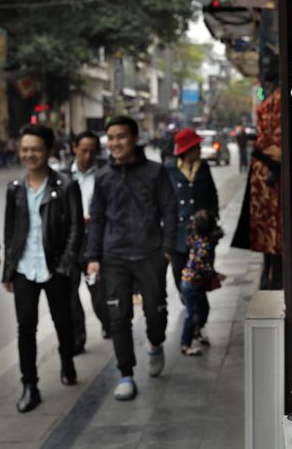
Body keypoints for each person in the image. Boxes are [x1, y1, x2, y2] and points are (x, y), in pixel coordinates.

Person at [85, 116, 177, 401]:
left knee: (155, 312)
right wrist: (93, 256)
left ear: (135, 138)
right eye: (110, 138)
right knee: (118, 317)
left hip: (150, 254)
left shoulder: (155, 172)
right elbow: (97, 218)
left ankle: (156, 343)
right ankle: (125, 374)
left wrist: (166, 249)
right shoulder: (102, 177)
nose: (115, 143)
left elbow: (170, 210)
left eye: (121, 137)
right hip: (114, 256)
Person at [2, 124, 84, 413]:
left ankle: (67, 359)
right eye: (25, 149)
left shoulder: (66, 186)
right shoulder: (15, 190)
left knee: (64, 321)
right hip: (25, 269)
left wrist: (66, 265)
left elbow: (76, 228)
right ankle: (29, 385)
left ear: (48, 151)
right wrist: (8, 272)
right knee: (26, 328)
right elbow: (10, 232)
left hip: (55, 268)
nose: (29, 154)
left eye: (35, 149)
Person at [63, 131, 111, 354]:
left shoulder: (104, 175)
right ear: (74, 148)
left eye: (93, 151)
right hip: (70, 244)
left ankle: (108, 323)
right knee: (70, 296)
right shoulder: (62, 176)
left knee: (99, 293)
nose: (88, 155)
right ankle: (77, 339)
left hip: (95, 243)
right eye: (84, 150)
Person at [164, 128, 219, 298]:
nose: (200, 149)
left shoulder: (203, 168)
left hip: (202, 234)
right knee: (179, 274)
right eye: (196, 146)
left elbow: (212, 194)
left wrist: (212, 217)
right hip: (179, 233)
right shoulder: (169, 169)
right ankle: (188, 302)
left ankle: (198, 312)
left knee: (201, 274)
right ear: (187, 150)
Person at [178, 209, 225, 355]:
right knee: (192, 314)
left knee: (203, 309)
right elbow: (202, 265)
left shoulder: (194, 237)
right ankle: (185, 344)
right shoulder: (205, 245)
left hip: (191, 282)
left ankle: (197, 331)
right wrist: (216, 275)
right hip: (192, 283)